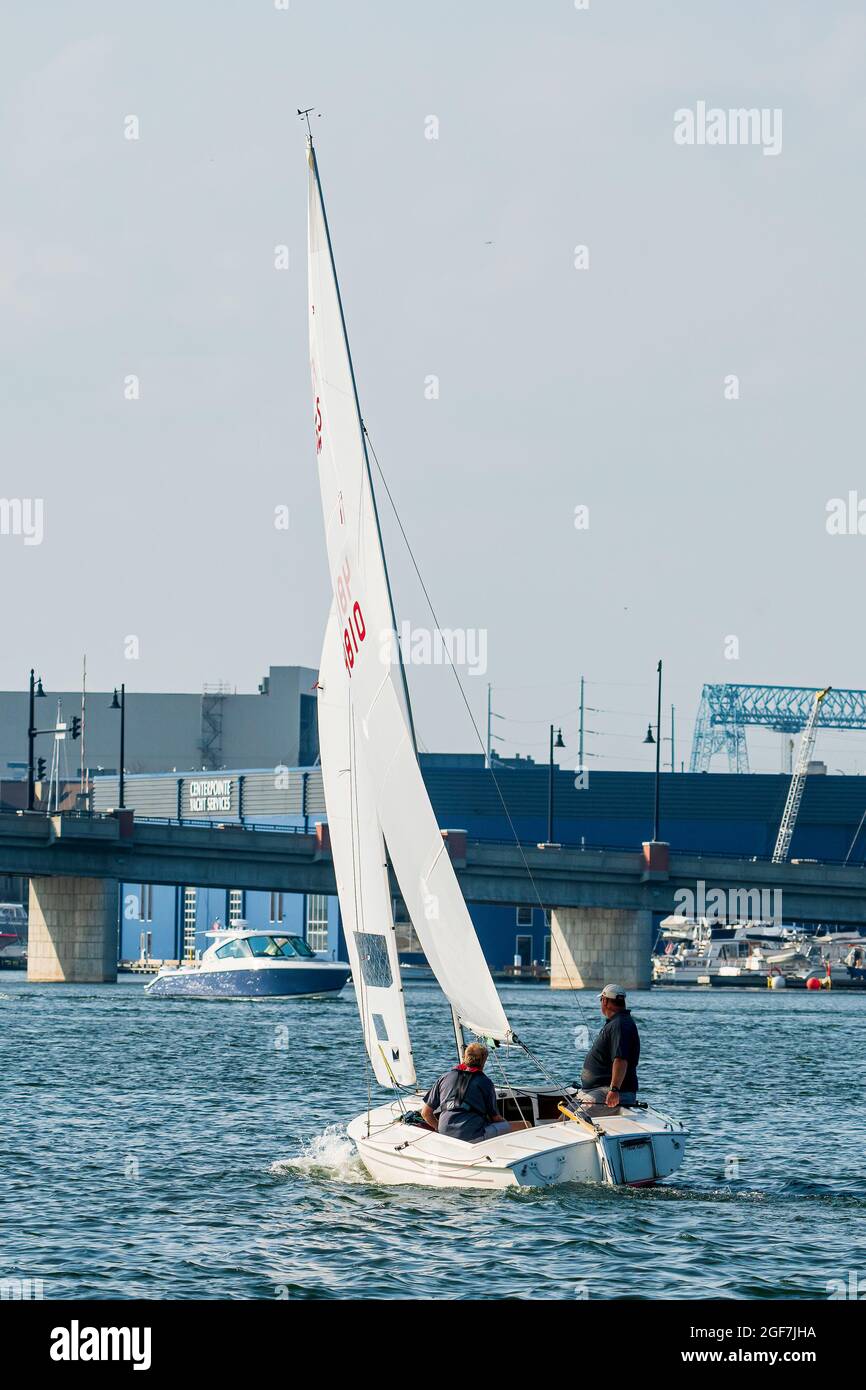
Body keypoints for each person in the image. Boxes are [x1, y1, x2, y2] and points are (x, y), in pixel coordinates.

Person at [420, 1041, 525, 1142]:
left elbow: (425, 1113)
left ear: (465, 1057)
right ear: (484, 1061)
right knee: (525, 1125)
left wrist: (439, 1129)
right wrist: (506, 1125)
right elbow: (495, 1118)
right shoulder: (485, 1082)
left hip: (446, 1137)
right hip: (472, 1137)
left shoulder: (444, 1077)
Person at [575, 984, 640, 1110]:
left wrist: (614, 1090)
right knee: (564, 1118)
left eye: (601, 1000)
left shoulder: (620, 1025)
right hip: (596, 1090)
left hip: (608, 1093)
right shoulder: (618, 1022)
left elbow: (621, 1059)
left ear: (605, 1000)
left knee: (574, 1120)